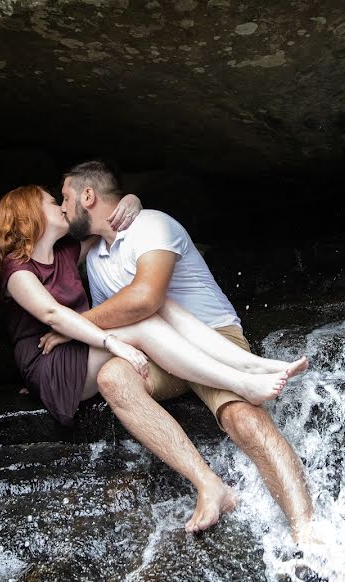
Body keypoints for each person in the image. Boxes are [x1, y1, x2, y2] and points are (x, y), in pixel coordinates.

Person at [59, 160, 315, 542]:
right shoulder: (94, 253)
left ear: (89, 196)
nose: (62, 208)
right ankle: (209, 485)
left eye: (65, 198)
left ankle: (305, 528)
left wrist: (73, 328)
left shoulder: (151, 224)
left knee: (242, 420)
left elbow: (146, 298)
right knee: (112, 377)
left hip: (210, 336)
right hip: (156, 351)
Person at [0, 185, 303, 436]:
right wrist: (113, 343)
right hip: (51, 364)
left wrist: (133, 200)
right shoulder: (17, 270)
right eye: (52, 201)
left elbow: (109, 226)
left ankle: (254, 364)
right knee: (143, 323)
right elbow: (52, 315)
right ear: (28, 215)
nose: (62, 206)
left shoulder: (66, 253)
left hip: (78, 344)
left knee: (160, 304)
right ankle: (240, 382)